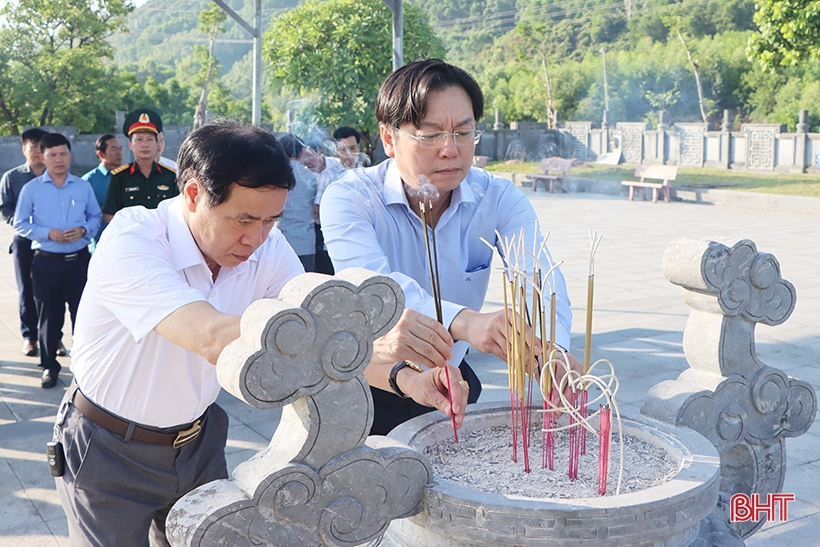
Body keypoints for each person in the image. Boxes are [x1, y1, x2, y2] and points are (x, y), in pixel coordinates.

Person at [52, 119, 468, 546]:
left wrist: (409, 378)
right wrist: (362, 336)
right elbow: (211, 336)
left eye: (271, 220)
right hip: (109, 449)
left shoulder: (266, 246)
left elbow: (321, 351)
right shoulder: (133, 239)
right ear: (193, 193)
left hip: (199, 442)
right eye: (243, 219)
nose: (256, 237)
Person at [321, 59, 581, 435]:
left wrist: (550, 349)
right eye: (430, 135)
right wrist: (467, 322)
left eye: (463, 132)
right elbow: (374, 290)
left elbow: (538, 275)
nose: (450, 149)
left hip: (452, 380)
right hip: (367, 383)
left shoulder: (498, 197)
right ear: (389, 139)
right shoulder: (350, 198)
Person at [13, 133, 102, 388]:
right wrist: (46, 233)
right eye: (52, 155)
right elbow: (20, 222)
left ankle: (85, 366)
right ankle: (49, 367)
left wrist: (84, 230)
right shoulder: (32, 189)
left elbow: (96, 216)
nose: (59, 159)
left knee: (83, 315)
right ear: (43, 157)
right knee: (49, 317)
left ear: (70, 155)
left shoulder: (82, 186)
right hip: (46, 261)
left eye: (63, 153)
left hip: (79, 261)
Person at [0, 128, 49, 357]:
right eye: (33, 147)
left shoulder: (55, 173)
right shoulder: (13, 177)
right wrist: (22, 223)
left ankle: (53, 337)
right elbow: (5, 207)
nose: (38, 152)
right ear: (24, 149)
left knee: (51, 292)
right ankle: (29, 337)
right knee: (26, 291)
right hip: (25, 241)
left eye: (42, 146)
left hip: (52, 243)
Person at [104, 108, 178, 223]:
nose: (145, 144)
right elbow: (109, 215)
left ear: (156, 144)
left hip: (163, 238)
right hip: (132, 238)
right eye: (139, 139)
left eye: (149, 139)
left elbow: (178, 212)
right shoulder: (119, 177)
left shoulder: (170, 175)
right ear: (130, 144)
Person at [278, 134, 318, 272]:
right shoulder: (311, 177)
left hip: (283, 241)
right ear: (301, 153)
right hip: (307, 242)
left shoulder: (277, 176)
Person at [82, 134, 123, 250]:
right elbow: (81, 213)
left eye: (120, 148)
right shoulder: (88, 181)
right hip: (100, 243)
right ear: (101, 154)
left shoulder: (128, 176)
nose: (119, 153)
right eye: (114, 149)